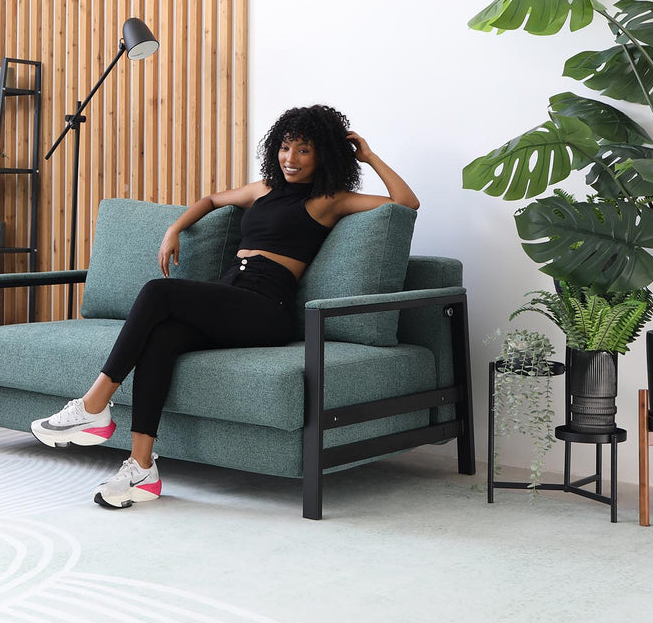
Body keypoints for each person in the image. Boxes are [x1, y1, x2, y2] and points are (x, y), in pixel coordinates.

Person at [30, 104, 420, 508]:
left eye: (304, 150)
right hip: (231, 296)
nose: (291, 158)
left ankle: (94, 405)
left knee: (158, 291)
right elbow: (213, 199)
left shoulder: (329, 199)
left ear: (324, 154)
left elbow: (406, 203)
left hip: (268, 309)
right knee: (161, 338)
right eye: (286, 148)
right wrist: (174, 228)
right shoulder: (262, 188)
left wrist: (370, 156)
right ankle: (141, 469)